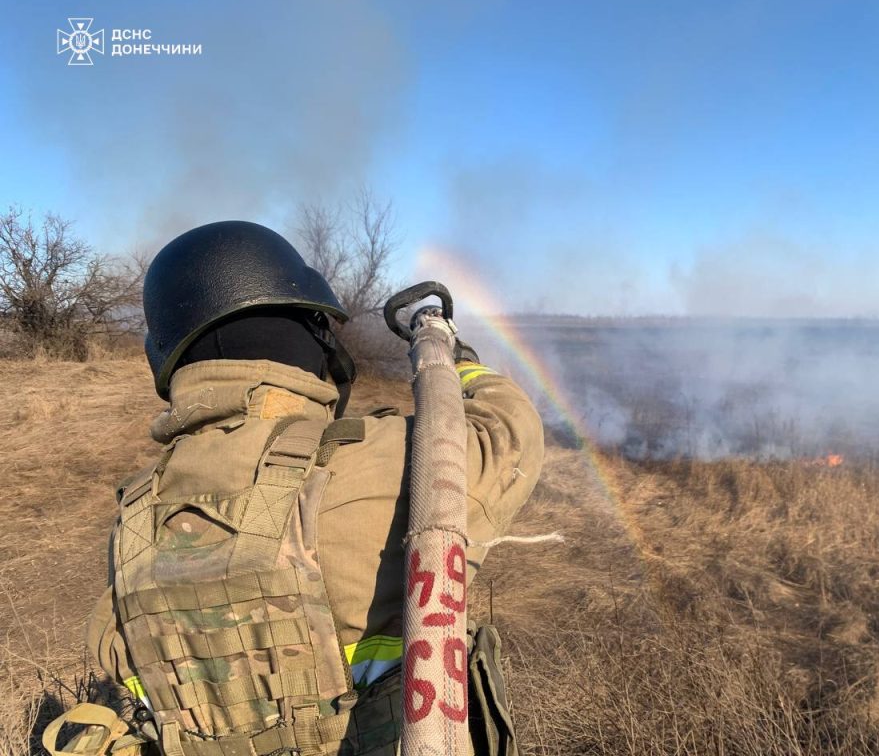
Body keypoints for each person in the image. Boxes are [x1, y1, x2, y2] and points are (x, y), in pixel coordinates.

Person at [84, 220, 544, 756]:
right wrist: (457, 362)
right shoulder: (395, 459)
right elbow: (510, 431)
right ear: (314, 337)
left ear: (167, 358)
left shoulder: (133, 519)